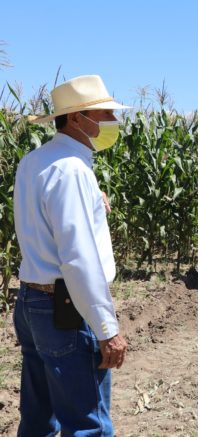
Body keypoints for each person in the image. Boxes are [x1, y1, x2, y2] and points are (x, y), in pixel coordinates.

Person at [13, 75, 130, 435]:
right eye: (105, 114)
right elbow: (78, 258)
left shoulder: (34, 161)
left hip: (31, 301)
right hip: (64, 307)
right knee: (87, 425)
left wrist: (93, 199)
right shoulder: (73, 170)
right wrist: (107, 329)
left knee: (38, 418)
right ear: (78, 118)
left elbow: (42, 219)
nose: (113, 121)